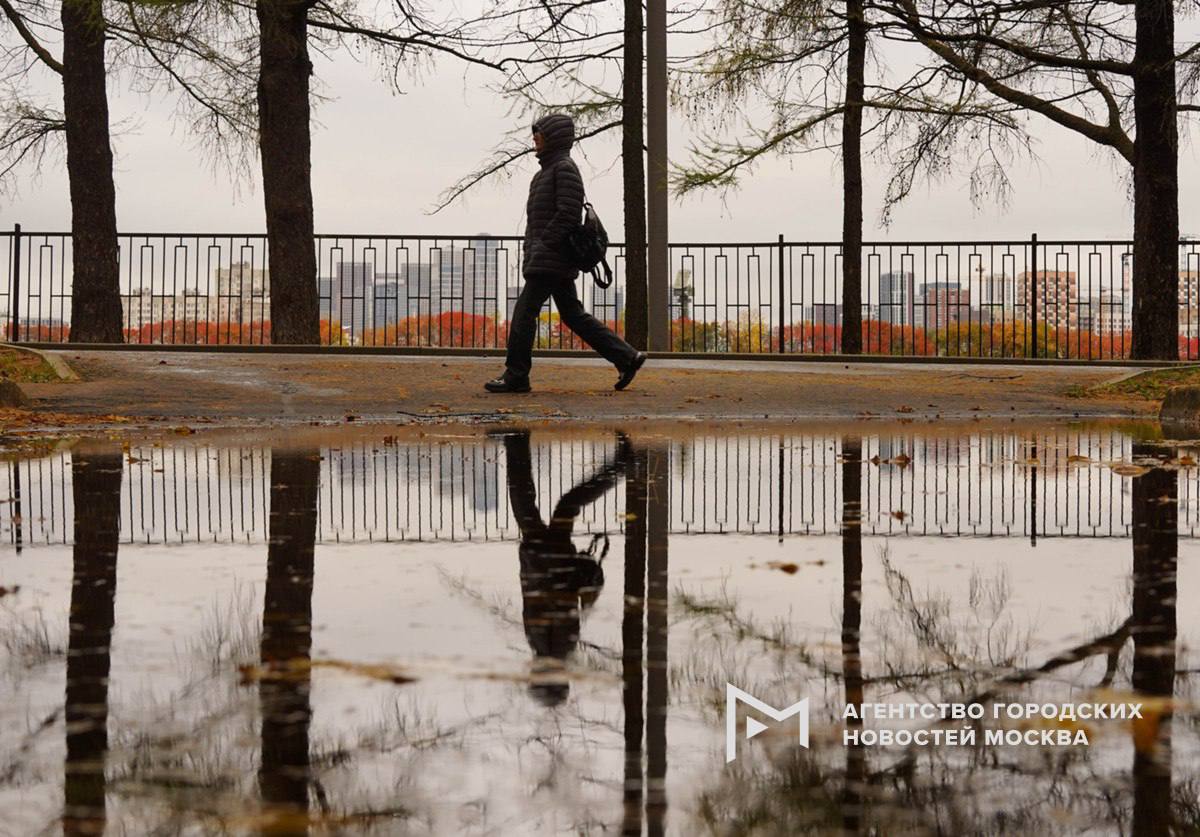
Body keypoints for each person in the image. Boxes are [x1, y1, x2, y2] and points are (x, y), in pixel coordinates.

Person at [485, 113, 647, 394]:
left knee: (524, 312)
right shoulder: (543, 174)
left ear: (554, 138)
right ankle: (627, 357)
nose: (535, 138)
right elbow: (535, 221)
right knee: (573, 314)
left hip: (552, 257)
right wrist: (531, 250)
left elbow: (568, 214)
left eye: (540, 134)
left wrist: (543, 245)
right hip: (547, 257)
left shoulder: (564, 168)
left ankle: (516, 375)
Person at [501, 429, 635, 705]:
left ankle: (619, 466)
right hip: (545, 560)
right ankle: (516, 444)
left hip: (547, 561)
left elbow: (557, 607)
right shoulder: (552, 649)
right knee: (532, 500)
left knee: (559, 504)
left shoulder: (555, 650)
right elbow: (549, 604)